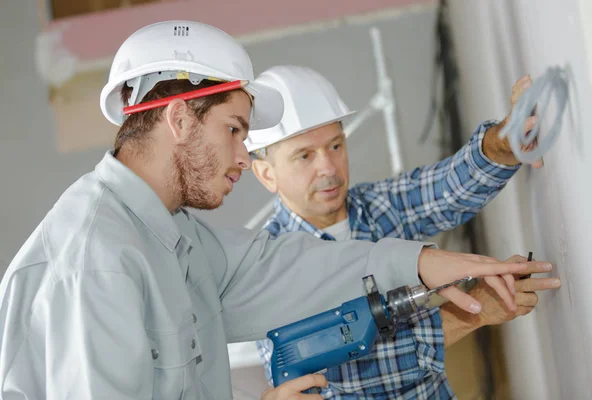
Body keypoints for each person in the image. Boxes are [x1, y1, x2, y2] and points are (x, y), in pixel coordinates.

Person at [0, 21, 537, 400]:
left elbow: (278, 268)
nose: (242, 157)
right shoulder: (95, 261)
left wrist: (418, 263)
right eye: (234, 130)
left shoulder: (173, 235)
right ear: (181, 120)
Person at [246, 65, 559, 399]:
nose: (328, 168)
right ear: (267, 174)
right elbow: (345, 379)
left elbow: (448, 187)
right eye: (304, 156)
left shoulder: (378, 207)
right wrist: (474, 310)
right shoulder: (266, 268)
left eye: (335, 146)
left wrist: (503, 143)